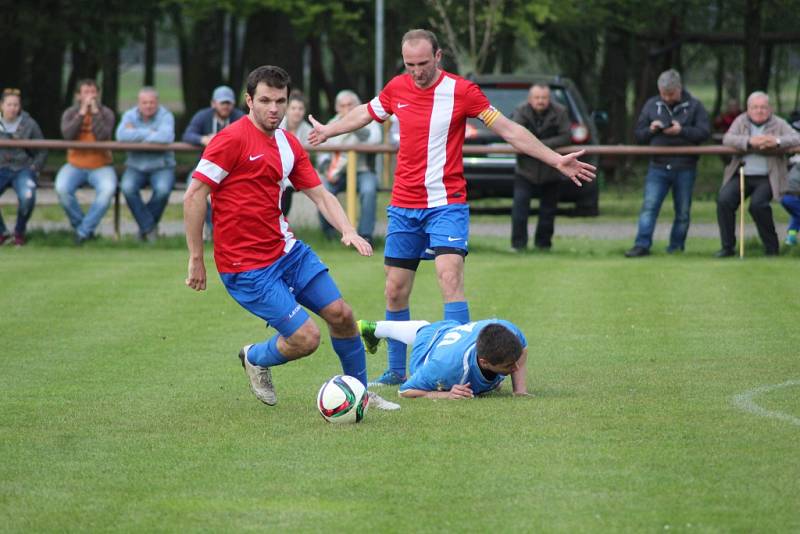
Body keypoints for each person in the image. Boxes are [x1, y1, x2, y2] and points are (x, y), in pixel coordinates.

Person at [308, 29, 595, 386]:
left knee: (449, 277)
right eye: (410, 64)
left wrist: (555, 160)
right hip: (403, 206)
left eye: (423, 64)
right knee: (394, 289)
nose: (416, 71)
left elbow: (508, 129)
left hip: (447, 204)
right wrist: (330, 131)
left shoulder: (462, 91)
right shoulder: (397, 87)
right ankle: (398, 370)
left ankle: (467, 366)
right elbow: (367, 112)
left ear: (438, 56)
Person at [183, 65, 399, 411]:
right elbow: (194, 196)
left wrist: (347, 230)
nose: (273, 109)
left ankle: (360, 394)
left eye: (280, 101)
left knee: (342, 314)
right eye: (265, 100)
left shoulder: (287, 144)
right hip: (247, 268)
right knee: (305, 339)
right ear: (249, 101)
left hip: (287, 252)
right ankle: (255, 356)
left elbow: (321, 194)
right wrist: (197, 258)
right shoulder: (230, 141)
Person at [625, 69, 710, 258]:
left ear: (679, 89)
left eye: (670, 94)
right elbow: (638, 135)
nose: (666, 98)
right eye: (663, 94)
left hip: (685, 166)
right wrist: (652, 129)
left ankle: (676, 248)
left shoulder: (695, 106)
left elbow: (704, 133)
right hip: (658, 166)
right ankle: (641, 245)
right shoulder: (651, 104)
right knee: (649, 207)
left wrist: (682, 131)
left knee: (683, 212)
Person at [715, 91, 800, 257]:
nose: (759, 111)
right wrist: (749, 142)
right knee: (724, 200)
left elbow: (797, 137)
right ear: (748, 109)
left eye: (763, 107)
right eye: (755, 107)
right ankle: (727, 247)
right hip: (741, 172)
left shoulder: (779, 123)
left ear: (770, 109)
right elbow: (728, 138)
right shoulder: (740, 121)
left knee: (758, 205)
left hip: (768, 175)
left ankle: (771, 248)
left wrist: (776, 142)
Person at [357, 318, 528, 399]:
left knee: (429, 327)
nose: (516, 368)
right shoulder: (445, 368)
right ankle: (375, 329)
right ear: (484, 362)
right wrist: (446, 395)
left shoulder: (508, 330)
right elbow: (405, 391)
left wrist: (519, 390)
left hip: (453, 331)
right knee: (423, 330)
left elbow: (523, 349)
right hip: (428, 347)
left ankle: (376, 329)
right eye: (508, 366)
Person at [55, 79, 117, 244]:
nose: (90, 96)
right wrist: (82, 113)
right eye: (86, 92)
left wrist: (95, 113)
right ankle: (83, 229)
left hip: (101, 165)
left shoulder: (106, 113)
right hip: (74, 164)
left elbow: (102, 136)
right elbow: (68, 135)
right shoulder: (70, 113)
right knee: (62, 189)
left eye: (93, 92)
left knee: (107, 190)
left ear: (98, 94)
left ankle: (82, 233)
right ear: (78, 95)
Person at [510, 83, 572, 251]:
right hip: (525, 170)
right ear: (530, 99)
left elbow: (566, 136)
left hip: (551, 170)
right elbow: (515, 136)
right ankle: (518, 245)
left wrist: (538, 147)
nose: (540, 101)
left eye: (544, 98)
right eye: (537, 98)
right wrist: (538, 148)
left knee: (548, 212)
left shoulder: (560, 111)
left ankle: (543, 245)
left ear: (549, 99)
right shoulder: (521, 111)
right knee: (520, 211)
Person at [316, 89, 380, 244]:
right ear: (337, 108)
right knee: (321, 190)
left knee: (369, 190)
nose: (347, 109)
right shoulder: (331, 124)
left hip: (362, 170)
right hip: (337, 172)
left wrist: (354, 125)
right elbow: (322, 153)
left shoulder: (368, 120)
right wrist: (326, 169)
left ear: (357, 105)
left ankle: (365, 235)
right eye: (342, 106)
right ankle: (329, 234)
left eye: (350, 105)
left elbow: (375, 140)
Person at [182, 85, 246, 238]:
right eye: (222, 102)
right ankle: (208, 229)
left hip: (233, 170)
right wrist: (202, 139)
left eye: (228, 103)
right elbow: (187, 134)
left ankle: (232, 232)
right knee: (193, 191)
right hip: (205, 167)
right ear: (213, 103)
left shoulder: (240, 117)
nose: (225, 106)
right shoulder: (203, 116)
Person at [116, 87, 176, 241]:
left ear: (157, 103)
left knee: (163, 190)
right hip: (135, 166)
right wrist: (151, 132)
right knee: (127, 188)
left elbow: (166, 137)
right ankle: (149, 228)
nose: (148, 105)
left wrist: (136, 133)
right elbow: (121, 135)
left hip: (162, 166)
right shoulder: (129, 115)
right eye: (144, 102)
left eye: (151, 102)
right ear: (138, 103)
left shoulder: (166, 115)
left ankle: (144, 230)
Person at [0, 88, 46, 246]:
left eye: (16, 105)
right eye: (9, 104)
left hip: (23, 169)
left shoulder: (30, 124)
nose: (12, 108)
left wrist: (35, 167)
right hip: (1, 167)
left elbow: (42, 149)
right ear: (1, 105)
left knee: (27, 197)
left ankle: (19, 231)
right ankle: (2, 233)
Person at [278, 91, 313, 216]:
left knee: (287, 187)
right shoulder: (276, 125)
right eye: (293, 108)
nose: (297, 112)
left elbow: (322, 154)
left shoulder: (309, 130)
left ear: (304, 111)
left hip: (297, 171)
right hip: (275, 167)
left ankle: (281, 220)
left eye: (300, 108)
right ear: (287, 110)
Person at [780, 163, 800, 246]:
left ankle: (791, 238)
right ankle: (791, 238)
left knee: (796, 216)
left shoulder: (794, 167)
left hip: (785, 198)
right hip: (792, 197)